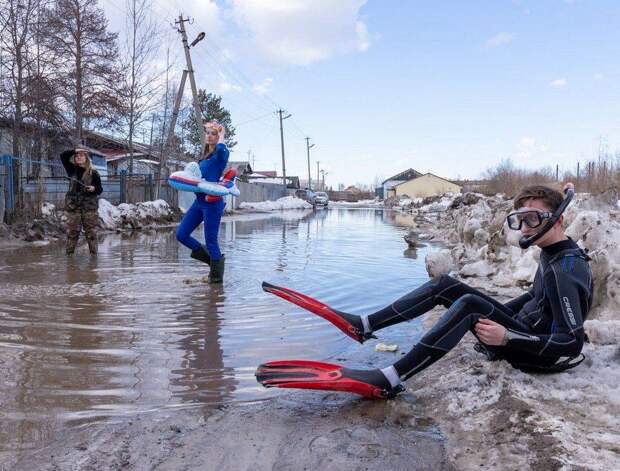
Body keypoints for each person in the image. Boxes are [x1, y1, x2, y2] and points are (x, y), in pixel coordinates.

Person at [256, 183, 594, 399]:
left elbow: (571, 342)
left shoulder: (566, 269)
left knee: (470, 304)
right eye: (520, 219)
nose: (525, 227)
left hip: (538, 352)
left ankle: (390, 377)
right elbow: (537, 299)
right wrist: (504, 316)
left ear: (558, 220)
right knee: (447, 285)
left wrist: (508, 337)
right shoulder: (553, 253)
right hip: (525, 333)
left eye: (534, 219)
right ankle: (365, 324)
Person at [176, 121, 229, 284]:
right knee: (181, 235)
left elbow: (220, 149)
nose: (209, 136)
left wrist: (221, 137)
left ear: (219, 136)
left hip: (212, 203)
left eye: (213, 133)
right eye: (207, 133)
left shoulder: (222, 154)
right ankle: (212, 262)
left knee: (211, 241)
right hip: (199, 202)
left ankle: (216, 280)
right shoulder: (204, 158)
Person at [60, 147, 103, 255]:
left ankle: (94, 258)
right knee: (72, 233)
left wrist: (94, 189)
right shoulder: (71, 169)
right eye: (77, 156)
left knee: (91, 234)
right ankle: (69, 258)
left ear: (86, 158)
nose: (78, 157)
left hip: (89, 208)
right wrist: (75, 150)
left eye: (81, 155)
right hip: (74, 208)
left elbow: (100, 190)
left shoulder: (94, 173)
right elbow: (63, 156)